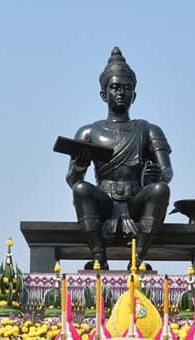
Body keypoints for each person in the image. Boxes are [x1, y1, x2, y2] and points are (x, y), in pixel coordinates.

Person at [66, 47, 172, 270]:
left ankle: (138, 258)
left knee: (161, 190)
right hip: (103, 199)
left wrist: (156, 175)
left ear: (134, 94)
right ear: (104, 94)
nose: (121, 93)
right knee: (82, 190)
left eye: (127, 88)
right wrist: (79, 166)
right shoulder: (88, 133)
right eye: (115, 88)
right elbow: (73, 180)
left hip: (136, 199)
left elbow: (167, 173)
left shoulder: (149, 130)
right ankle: (98, 256)